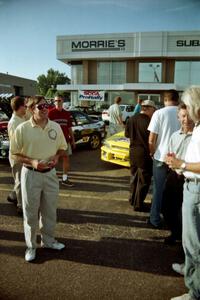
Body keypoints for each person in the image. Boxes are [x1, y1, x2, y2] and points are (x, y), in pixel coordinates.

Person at [10, 96, 68, 262]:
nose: (45, 108)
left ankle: (48, 241)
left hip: (50, 174)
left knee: (50, 211)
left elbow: (63, 148)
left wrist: (57, 157)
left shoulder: (55, 127)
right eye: (41, 106)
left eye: (47, 105)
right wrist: (32, 162)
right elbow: (15, 153)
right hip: (30, 175)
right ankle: (31, 246)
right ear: (31, 109)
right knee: (30, 213)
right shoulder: (22, 129)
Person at [167, 86, 200, 300]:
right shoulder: (197, 127)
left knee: (193, 243)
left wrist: (183, 163)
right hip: (191, 187)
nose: (185, 112)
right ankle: (191, 272)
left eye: (187, 106)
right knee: (191, 242)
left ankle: (195, 291)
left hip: (196, 190)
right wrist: (180, 166)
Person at [162, 103, 194, 245]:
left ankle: (186, 242)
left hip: (189, 178)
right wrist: (168, 159)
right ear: (178, 117)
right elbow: (168, 154)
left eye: (188, 116)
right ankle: (176, 233)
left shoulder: (197, 137)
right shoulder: (175, 135)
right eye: (182, 116)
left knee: (187, 214)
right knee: (167, 207)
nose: (185, 119)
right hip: (173, 176)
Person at [147, 89, 180, 228]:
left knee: (158, 189)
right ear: (177, 99)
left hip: (160, 157)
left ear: (164, 100)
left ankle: (155, 219)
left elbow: (152, 138)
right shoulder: (184, 113)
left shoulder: (159, 113)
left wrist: (152, 153)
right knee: (177, 191)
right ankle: (176, 221)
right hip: (178, 159)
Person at [125, 100, 156, 211]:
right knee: (143, 180)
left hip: (133, 152)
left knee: (133, 177)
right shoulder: (151, 121)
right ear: (149, 108)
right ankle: (138, 204)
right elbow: (153, 139)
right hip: (144, 153)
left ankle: (132, 199)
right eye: (154, 109)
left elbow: (127, 134)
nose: (154, 112)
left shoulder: (131, 119)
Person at [48, 95, 75, 187]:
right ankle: (50, 178)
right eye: (55, 101)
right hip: (53, 142)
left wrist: (73, 140)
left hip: (65, 141)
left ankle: (64, 178)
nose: (57, 102)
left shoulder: (67, 114)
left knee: (66, 158)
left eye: (59, 100)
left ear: (62, 101)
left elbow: (69, 128)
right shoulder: (50, 113)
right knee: (51, 160)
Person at [7, 96, 27, 216]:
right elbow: (16, 143)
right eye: (24, 105)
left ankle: (13, 196)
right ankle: (20, 206)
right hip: (18, 156)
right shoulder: (14, 122)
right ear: (19, 107)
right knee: (20, 181)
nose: (26, 108)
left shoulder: (22, 117)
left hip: (23, 155)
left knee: (20, 180)